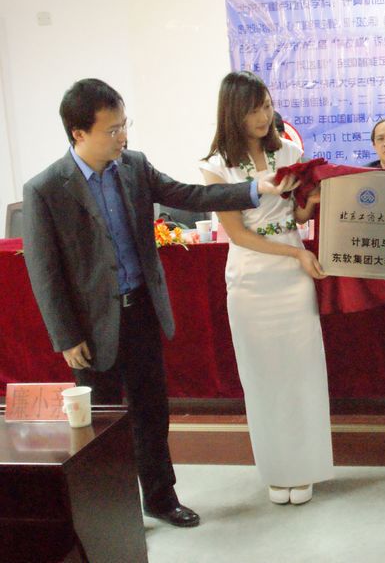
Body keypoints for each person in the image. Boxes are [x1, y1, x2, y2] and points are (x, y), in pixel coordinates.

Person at [23, 78, 284, 528]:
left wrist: (253, 189)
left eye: (125, 125)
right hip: (91, 326)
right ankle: (109, 514)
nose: (122, 137)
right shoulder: (46, 188)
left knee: (151, 410)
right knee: (101, 427)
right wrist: (65, 335)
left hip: (141, 310)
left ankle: (160, 498)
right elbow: (44, 271)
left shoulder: (133, 166)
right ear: (78, 133)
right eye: (112, 130)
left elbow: (190, 195)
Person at [199, 71, 334, 506]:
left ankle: (305, 467)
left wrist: (310, 204)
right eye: (253, 109)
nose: (263, 117)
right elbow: (239, 234)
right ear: (233, 112)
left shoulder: (289, 150)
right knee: (262, 377)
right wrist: (295, 253)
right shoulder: (216, 166)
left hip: (293, 279)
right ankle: (278, 471)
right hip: (251, 278)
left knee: (301, 372)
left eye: (267, 106)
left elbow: (293, 218)